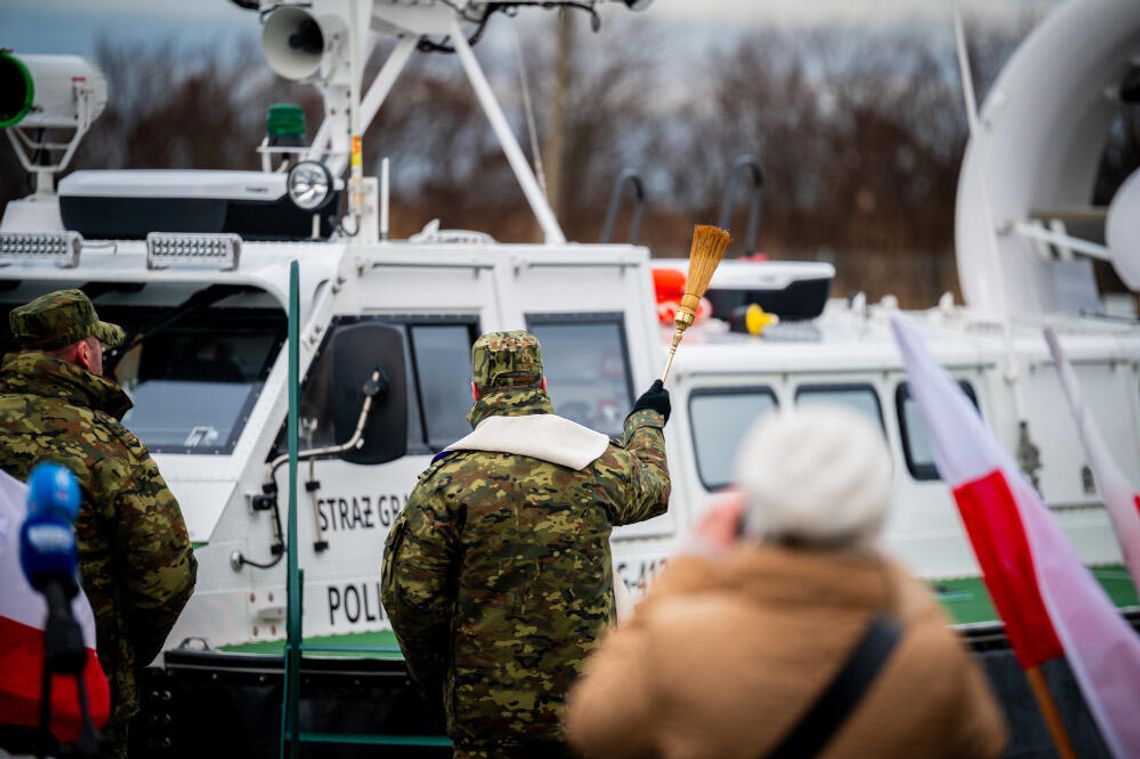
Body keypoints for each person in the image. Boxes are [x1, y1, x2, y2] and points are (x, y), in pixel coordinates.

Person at [565, 407, 1008, 759]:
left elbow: (595, 728)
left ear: (751, 503)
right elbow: (985, 742)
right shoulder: (931, 660)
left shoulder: (677, 642)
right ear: (875, 511)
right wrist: (882, 568)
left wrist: (694, 562)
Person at [381, 330, 671, 759]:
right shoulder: (596, 464)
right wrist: (645, 421)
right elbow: (655, 488)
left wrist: (441, 681)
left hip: (488, 724)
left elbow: (409, 601)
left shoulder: (445, 485)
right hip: (588, 715)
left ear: (476, 391)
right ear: (543, 385)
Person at [0, 289, 198, 758]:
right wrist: (118, 657)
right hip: (80, 697)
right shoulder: (105, 444)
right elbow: (165, 580)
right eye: (101, 351)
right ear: (84, 353)